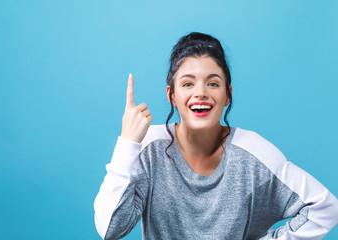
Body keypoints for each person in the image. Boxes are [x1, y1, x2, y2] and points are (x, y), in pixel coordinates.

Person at [94, 32, 338, 239]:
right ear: (172, 96)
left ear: (227, 95)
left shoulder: (254, 154)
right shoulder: (149, 149)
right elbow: (109, 229)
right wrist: (127, 144)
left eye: (213, 83)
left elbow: (325, 207)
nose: (200, 92)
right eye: (188, 84)